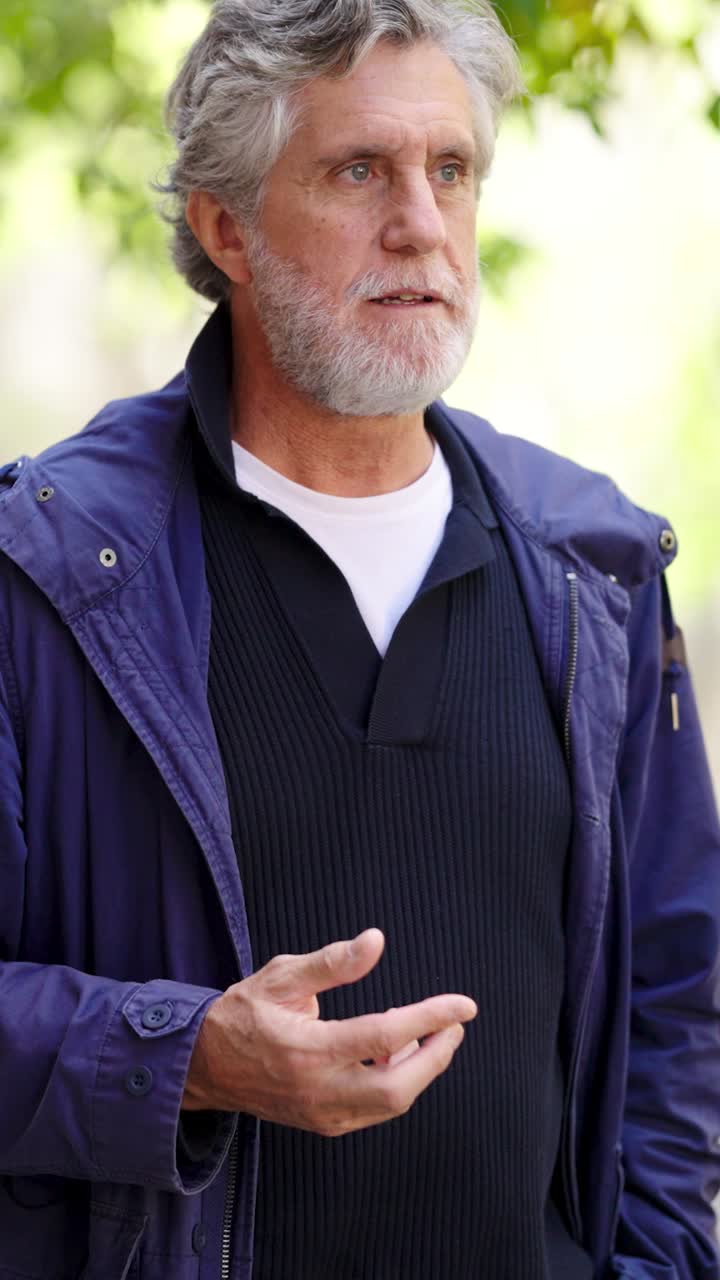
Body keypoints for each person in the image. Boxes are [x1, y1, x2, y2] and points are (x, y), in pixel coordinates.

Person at [0, 0, 718, 1276]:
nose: (423, 226)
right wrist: (191, 1056)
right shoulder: (46, 578)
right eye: (359, 170)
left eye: (451, 170)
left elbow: (677, 998)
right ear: (226, 227)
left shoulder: (594, 571)